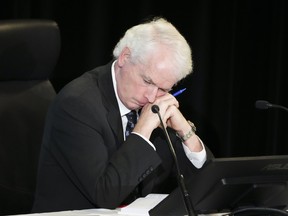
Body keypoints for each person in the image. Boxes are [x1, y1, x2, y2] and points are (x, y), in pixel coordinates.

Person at [31, 16, 214, 213]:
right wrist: (143, 129)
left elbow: (210, 186)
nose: (151, 96)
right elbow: (105, 194)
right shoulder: (77, 104)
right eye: (147, 81)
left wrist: (185, 131)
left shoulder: (156, 104)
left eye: (163, 89)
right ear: (125, 57)